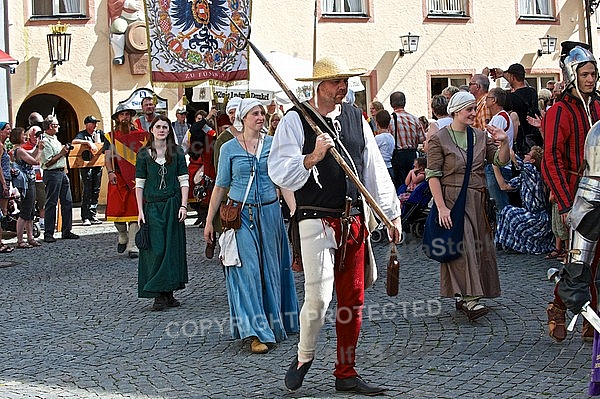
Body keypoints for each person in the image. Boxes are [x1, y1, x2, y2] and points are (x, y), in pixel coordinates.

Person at [269, 56, 402, 395]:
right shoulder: (296, 120)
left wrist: (391, 213)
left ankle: (346, 370)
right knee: (319, 297)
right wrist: (312, 157)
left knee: (353, 299)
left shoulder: (357, 118)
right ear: (320, 85)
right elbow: (278, 170)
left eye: (345, 80)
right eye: (335, 81)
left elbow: (372, 167)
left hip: (353, 219)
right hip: (315, 218)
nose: (342, 87)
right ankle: (303, 357)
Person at [203, 98, 299, 354]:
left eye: (262, 113)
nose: (260, 117)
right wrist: (210, 221)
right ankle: (255, 332)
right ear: (243, 118)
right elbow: (221, 185)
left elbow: (283, 181)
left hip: (270, 215)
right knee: (248, 273)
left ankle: (276, 322)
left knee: (272, 270)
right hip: (241, 217)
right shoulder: (229, 149)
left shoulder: (272, 145)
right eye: (255, 113)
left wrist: (294, 210)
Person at [426, 92, 510, 320]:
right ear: (455, 111)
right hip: (452, 200)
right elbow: (433, 175)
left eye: (475, 109)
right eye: (468, 109)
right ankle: (471, 298)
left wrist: (504, 142)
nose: (474, 113)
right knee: (461, 245)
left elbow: (500, 161)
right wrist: (441, 207)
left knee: (477, 245)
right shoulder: (439, 138)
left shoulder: (480, 136)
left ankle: (465, 297)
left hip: (478, 200)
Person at [541, 42, 600, 343]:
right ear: (572, 74)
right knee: (578, 261)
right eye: (585, 74)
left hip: (599, 189)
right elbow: (550, 158)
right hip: (574, 194)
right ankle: (558, 306)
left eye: (593, 74)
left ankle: (592, 315)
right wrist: (565, 203)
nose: (591, 79)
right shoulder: (559, 111)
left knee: (596, 259)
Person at [135, 115, 189, 311]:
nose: (161, 130)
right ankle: (157, 293)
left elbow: (184, 181)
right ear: (151, 130)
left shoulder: (177, 153)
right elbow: (139, 184)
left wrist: (183, 206)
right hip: (152, 207)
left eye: (165, 127)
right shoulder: (143, 154)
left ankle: (168, 293)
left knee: (171, 249)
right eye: (158, 126)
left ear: (169, 130)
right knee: (155, 250)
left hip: (173, 206)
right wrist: (140, 211)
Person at [105, 103, 148, 258]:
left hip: (135, 179)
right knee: (117, 213)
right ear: (117, 118)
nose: (125, 117)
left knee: (135, 212)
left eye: (127, 114)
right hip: (118, 177)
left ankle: (133, 245)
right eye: (122, 115)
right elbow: (108, 156)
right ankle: (123, 235)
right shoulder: (111, 136)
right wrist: (110, 172)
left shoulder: (141, 135)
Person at [494, 146, 554, 254]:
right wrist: (495, 165)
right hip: (532, 215)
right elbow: (504, 186)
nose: (525, 155)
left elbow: (516, 160)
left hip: (539, 218)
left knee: (510, 213)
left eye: (528, 154)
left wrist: (504, 144)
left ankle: (513, 245)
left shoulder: (532, 171)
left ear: (532, 160)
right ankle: (505, 244)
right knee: (506, 210)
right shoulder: (525, 176)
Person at [39, 116, 80, 243]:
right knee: (51, 203)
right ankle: (48, 233)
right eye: (57, 125)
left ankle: (66, 230)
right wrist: (62, 153)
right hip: (52, 173)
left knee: (67, 201)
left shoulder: (55, 139)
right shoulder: (45, 141)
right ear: (50, 126)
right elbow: (47, 162)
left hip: (61, 172)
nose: (59, 127)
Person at [487, 63, 542, 157]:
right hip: (534, 139)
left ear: (512, 77)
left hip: (521, 142)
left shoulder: (511, 98)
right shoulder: (532, 92)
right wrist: (503, 74)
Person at [484, 87, 516, 221]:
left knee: (500, 205)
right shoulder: (500, 117)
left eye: (488, 98)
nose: (486, 101)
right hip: (499, 166)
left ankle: (505, 235)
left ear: (494, 100)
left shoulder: (500, 118)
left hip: (498, 167)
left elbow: (493, 143)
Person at [10, 127, 42, 248]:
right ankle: (20, 240)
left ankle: (30, 237)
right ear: (18, 136)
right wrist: (39, 150)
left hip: (29, 182)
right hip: (27, 182)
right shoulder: (19, 150)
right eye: (24, 135)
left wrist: (37, 148)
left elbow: (30, 156)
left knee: (30, 211)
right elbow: (34, 161)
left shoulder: (19, 150)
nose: (26, 137)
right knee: (25, 212)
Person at [72, 115, 105, 226]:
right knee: (87, 191)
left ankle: (93, 215)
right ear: (87, 124)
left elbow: (107, 143)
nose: (95, 125)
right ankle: (85, 216)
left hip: (97, 165)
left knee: (96, 190)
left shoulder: (99, 133)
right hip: (86, 166)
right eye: (93, 123)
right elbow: (74, 141)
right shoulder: (82, 134)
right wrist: (88, 143)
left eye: (96, 123)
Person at [389, 91, 426, 188]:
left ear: (391, 104)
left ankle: (401, 200)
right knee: (412, 184)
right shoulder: (414, 119)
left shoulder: (390, 119)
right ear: (404, 102)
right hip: (412, 154)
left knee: (401, 184)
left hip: (398, 155)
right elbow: (422, 139)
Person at [23, 113, 46, 229]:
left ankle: (42, 220)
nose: (37, 137)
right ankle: (31, 222)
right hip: (31, 175)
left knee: (42, 199)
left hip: (40, 175)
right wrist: (38, 149)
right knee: (31, 201)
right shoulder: (24, 146)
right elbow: (34, 160)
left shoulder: (41, 142)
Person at [0, 122, 13, 253]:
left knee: (4, 212)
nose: (9, 131)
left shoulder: (3, 146)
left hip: (5, 178)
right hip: (2, 182)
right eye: (7, 129)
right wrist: (4, 183)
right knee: (2, 212)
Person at [374, 110, 395, 179]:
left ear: (377, 123)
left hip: (381, 167)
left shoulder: (378, 138)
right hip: (390, 166)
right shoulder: (391, 137)